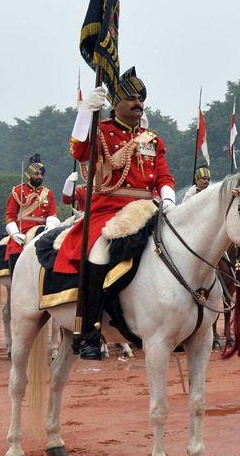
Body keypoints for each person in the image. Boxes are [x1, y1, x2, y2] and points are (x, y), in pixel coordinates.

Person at [56, 69, 175, 360]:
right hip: (109, 209)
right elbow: (79, 151)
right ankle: (88, 332)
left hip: (148, 207)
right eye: (131, 98)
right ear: (116, 103)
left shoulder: (153, 140)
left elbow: (164, 176)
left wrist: (169, 198)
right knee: (96, 254)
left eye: (141, 98)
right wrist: (86, 113)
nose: (138, 103)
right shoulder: (102, 131)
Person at [4, 155, 60, 271]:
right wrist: (14, 234)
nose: (40, 176)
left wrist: (50, 227)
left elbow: (52, 214)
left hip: (43, 230)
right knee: (16, 250)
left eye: (41, 174)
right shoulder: (18, 192)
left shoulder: (48, 193)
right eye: (36, 173)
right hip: (22, 231)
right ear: (29, 175)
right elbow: (10, 217)